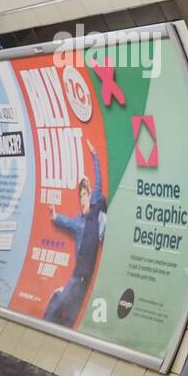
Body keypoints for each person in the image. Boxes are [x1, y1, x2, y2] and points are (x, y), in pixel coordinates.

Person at [44, 139, 107, 327]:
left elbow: (98, 184)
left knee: (69, 321)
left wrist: (95, 155)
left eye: (84, 195)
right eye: (80, 197)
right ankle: (56, 299)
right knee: (54, 313)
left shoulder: (95, 212)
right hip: (75, 278)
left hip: (84, 283)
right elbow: (67, 222)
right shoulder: (79, 222)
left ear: (91, 197)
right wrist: (55, 216)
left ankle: (58, 299)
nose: (82, 200)